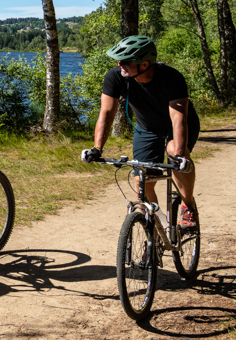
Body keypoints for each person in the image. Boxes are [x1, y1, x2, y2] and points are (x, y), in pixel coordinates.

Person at [81, 35, 201, 229]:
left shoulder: (171, 78)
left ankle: (188, 206)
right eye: (119, 60)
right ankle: (155, 233)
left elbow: (178, 119)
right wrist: (97, 148)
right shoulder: (116, 77)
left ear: (144, 64)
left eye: (126, 61)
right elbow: (107, 113)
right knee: (141, 181)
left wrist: (180, 156)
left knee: (174, 152)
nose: (120, 65)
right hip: (147, 128)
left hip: (180, 124)